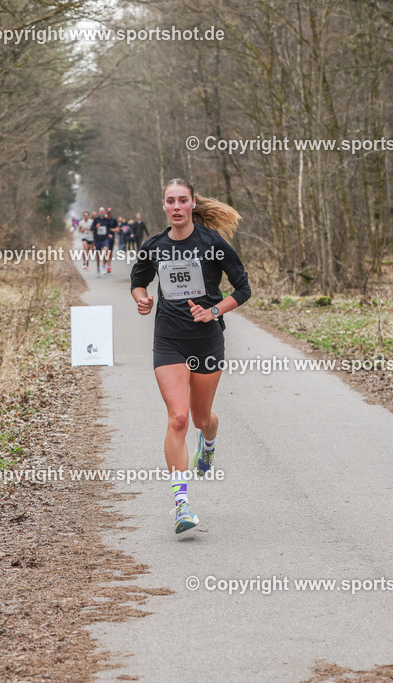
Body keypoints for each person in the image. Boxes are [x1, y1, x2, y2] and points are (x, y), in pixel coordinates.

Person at [130, 178, 251, 534]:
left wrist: (215, 312)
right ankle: (182, 504)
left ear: (193, 203)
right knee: (179, 418)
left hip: (207, 340)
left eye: (183, 200)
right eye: (171, 201)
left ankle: (209, 444)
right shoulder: (154, 246)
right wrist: (141, 298)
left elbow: (243, 288)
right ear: (164, 206)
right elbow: (137, 281)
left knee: (201, 419)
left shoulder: (212, 243)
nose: (177, 206)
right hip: (169, 340)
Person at [91, 206, 113, 274]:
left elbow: (109, 228)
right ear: (99, 212)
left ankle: (103, 266)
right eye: (101, 212)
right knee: (98, 254)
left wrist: (109, 234)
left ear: (104, 212)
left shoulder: (107, 220)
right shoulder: (96, 220)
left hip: (105, 239)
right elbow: (92, 229)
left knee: (106, 251)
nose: (102, 213)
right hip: (97, 239)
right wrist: (96, 227)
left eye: (103, 211)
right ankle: (98, 267)